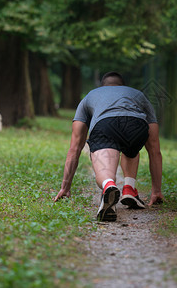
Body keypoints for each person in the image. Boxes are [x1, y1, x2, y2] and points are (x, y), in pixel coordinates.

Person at [54, 71, 164, 221]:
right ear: (123, 86)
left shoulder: (91, 95)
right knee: (131, 150)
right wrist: (156, 190)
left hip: (105, 125)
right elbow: (154, 150)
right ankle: (129, 188)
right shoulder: (138, 95)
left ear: (103, 86)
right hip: (136, 126)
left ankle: (108, 186)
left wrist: (65, 187)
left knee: (103, 163)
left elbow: (75, 148)